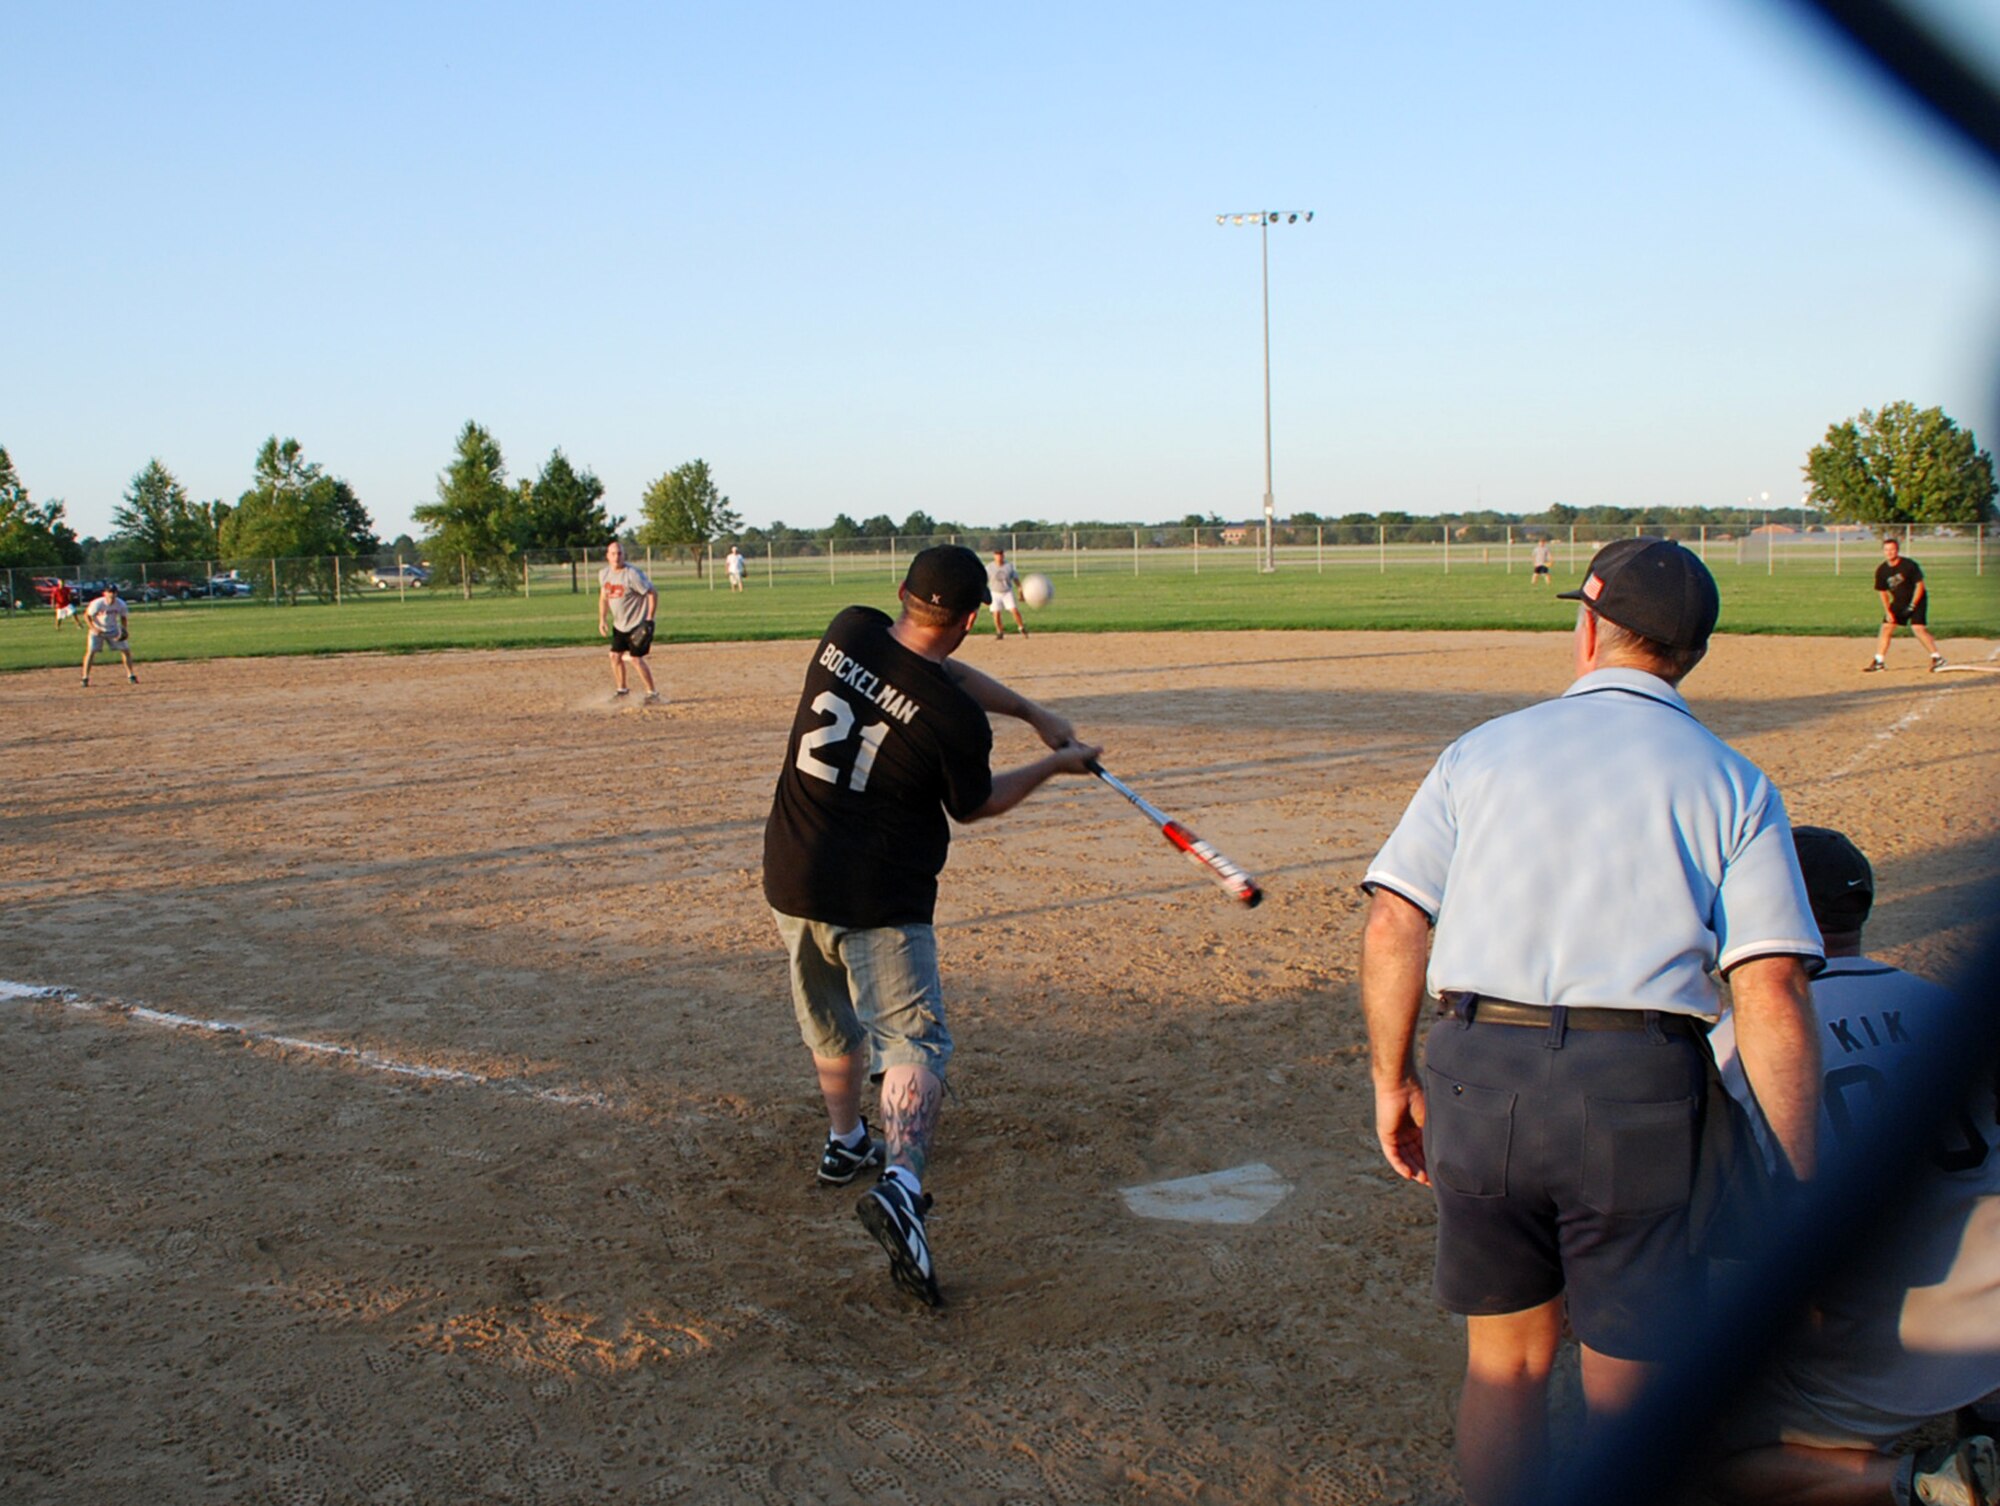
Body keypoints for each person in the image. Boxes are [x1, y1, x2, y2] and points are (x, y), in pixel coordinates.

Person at [1359, 536, 1825, 1506]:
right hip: (1634, 1089)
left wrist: (1389, 1079)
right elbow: (1769, 991)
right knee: (1628, 1384)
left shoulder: (1479, 751)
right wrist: (1796, 1179)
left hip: (1474, 1069)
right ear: (1690, 652)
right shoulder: (1732, 782)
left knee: (1506, 1365)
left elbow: (1394, 917)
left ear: (1586, 627)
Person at [762, 544, 1098, 1306]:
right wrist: (1054, 762)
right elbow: (974, 802)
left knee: (831, 1019)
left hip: (792, 873)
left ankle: (846, 1142)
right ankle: (903, 1186)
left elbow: (928, 669)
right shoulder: (951, 721)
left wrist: (1030, 711)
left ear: (902, 595)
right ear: (974, 618)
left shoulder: (849, 629)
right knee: (914, 1041)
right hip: (878, 897)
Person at [1704, 827, 2000, 1506]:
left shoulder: (1735, 1047)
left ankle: (1920, 1480)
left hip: (1897, 1339)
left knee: (1716, 1458)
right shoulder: (1949, 1010)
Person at [1866, 537, 1946, 673]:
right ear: (1883, 552)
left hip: (1917, 600)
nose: (1889, 552)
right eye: (1886, 550)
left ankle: (1937, 658)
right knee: (1886, 628)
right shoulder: (1882, 570)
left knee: (1918, 629)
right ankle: (1879, 661)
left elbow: (1920, 586)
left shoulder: (1909, 565)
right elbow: (1883, 592)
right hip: (1899, 602)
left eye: (1892, 549)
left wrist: (1912, 606)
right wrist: (1888, 612)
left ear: (1897, 550)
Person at [596, 541, 659, 702]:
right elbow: (604, 598)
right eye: (613, 554)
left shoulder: (632, 574)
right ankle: (622, 690)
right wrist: (602, 619)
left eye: (619, 553)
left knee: (636, 659)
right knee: (615, 656)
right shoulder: (604, 574)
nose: (616, 557)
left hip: (636, 624)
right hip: (619, 625)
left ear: (624, 555)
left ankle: (652, 693)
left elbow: (652, 592)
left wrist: (650, 618)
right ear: (607, 556)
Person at [80, 583, 138, 687]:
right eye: (110, 592)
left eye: (114, 592)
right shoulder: (97, 603)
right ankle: (85, 678)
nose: (112, 594)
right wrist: (94, 628)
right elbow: (87, 616)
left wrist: (124, 630)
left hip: (113, 630)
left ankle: (131, 675)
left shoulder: (120, 604)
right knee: (91, 652)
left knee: (126, 650)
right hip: (97, 630)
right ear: (105, 593)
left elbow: (123, 617)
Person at [987, 549, 1027, 640]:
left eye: (1001, 555)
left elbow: (1015, 579)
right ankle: (999, 632)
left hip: (1007, 592)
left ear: (1003, 556)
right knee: (996, 613)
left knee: (1014, 610)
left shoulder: (1009, 566)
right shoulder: (989, 567)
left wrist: (1020, 590)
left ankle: (1021, 627)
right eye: (997, 555)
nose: (999, 557)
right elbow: (985, 579)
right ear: (994, 556)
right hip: (995, 592)